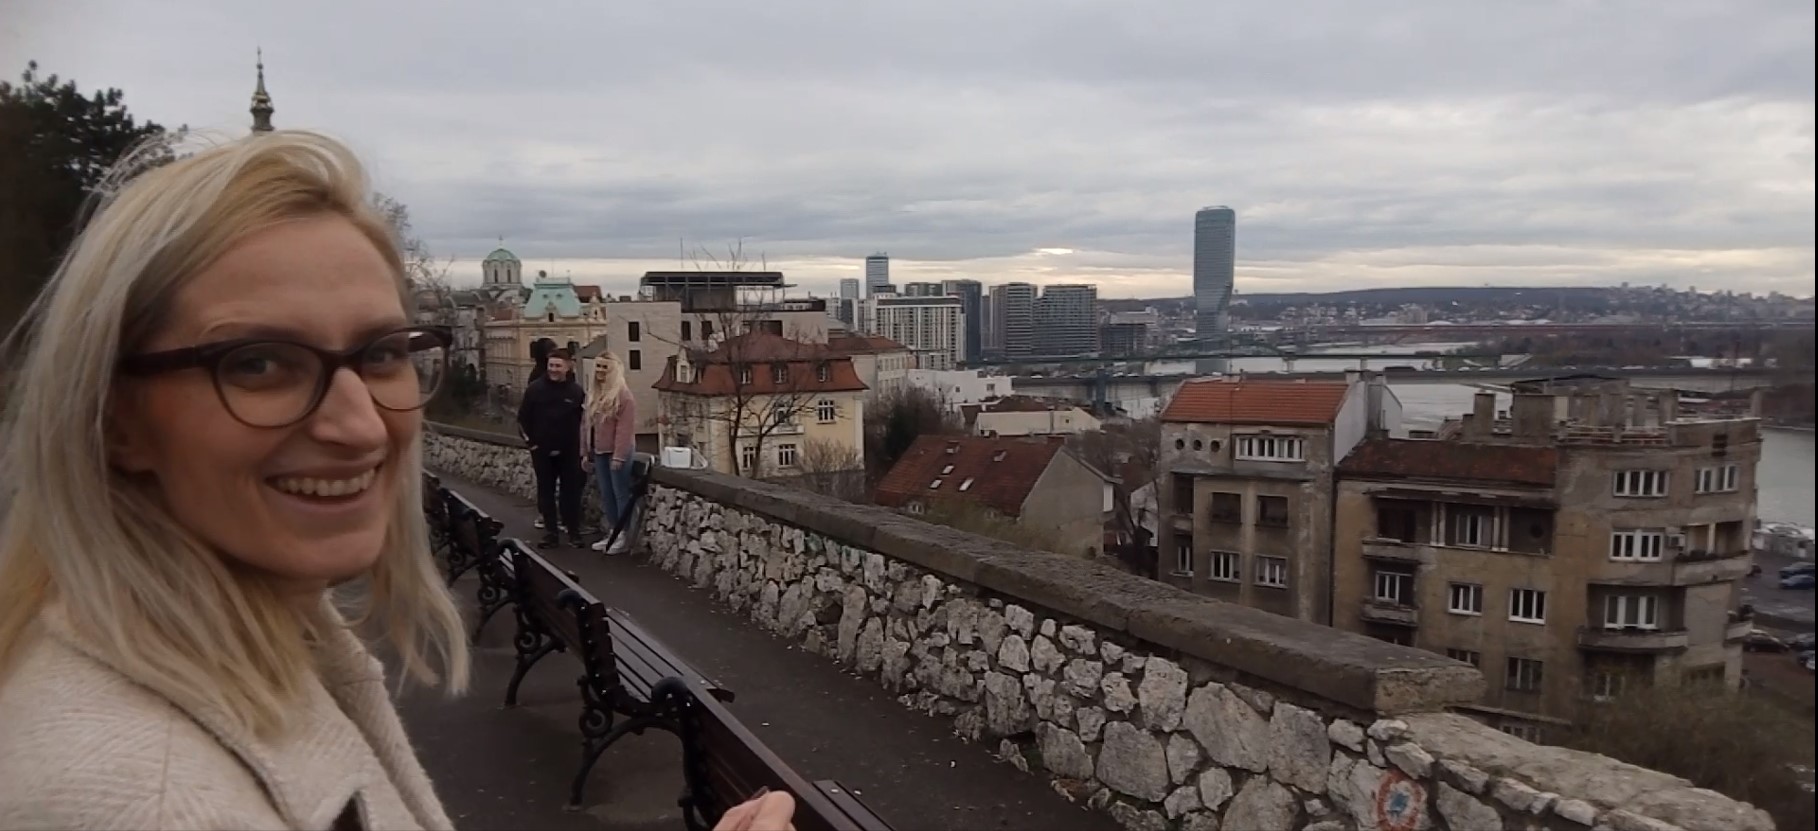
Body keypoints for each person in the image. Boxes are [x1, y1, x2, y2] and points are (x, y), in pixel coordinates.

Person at [0, 130, 793, 831]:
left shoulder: (240, 645)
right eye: (259, 363)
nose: (361, 425)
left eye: (381, 353)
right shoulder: (150, 796)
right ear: (116, 417)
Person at [517, 348, 588, 548]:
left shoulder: (576, 392)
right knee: (545, 492)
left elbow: (584, 422)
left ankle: (573, 532)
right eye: (551, 365)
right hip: (542, 451)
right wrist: (532, 444)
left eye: (558, 366)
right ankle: (551, 533)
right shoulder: (534, 389)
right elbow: (522, 420)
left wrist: (583, 447)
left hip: (569, 451)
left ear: (567, 367)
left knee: (571, 492)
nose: (554, 369)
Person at [581, 352, 637, 554]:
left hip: (616, 452)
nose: (600, 371)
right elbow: (585, 426)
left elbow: (624, 430)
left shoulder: (624, 396)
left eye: (605, 367)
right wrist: (585, 452)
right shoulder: (594, 395)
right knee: (607, 493)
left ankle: (623, 534)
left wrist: (619, 456)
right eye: (598, 366)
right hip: (599, 451)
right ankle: (614, 531)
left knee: (620, 493)